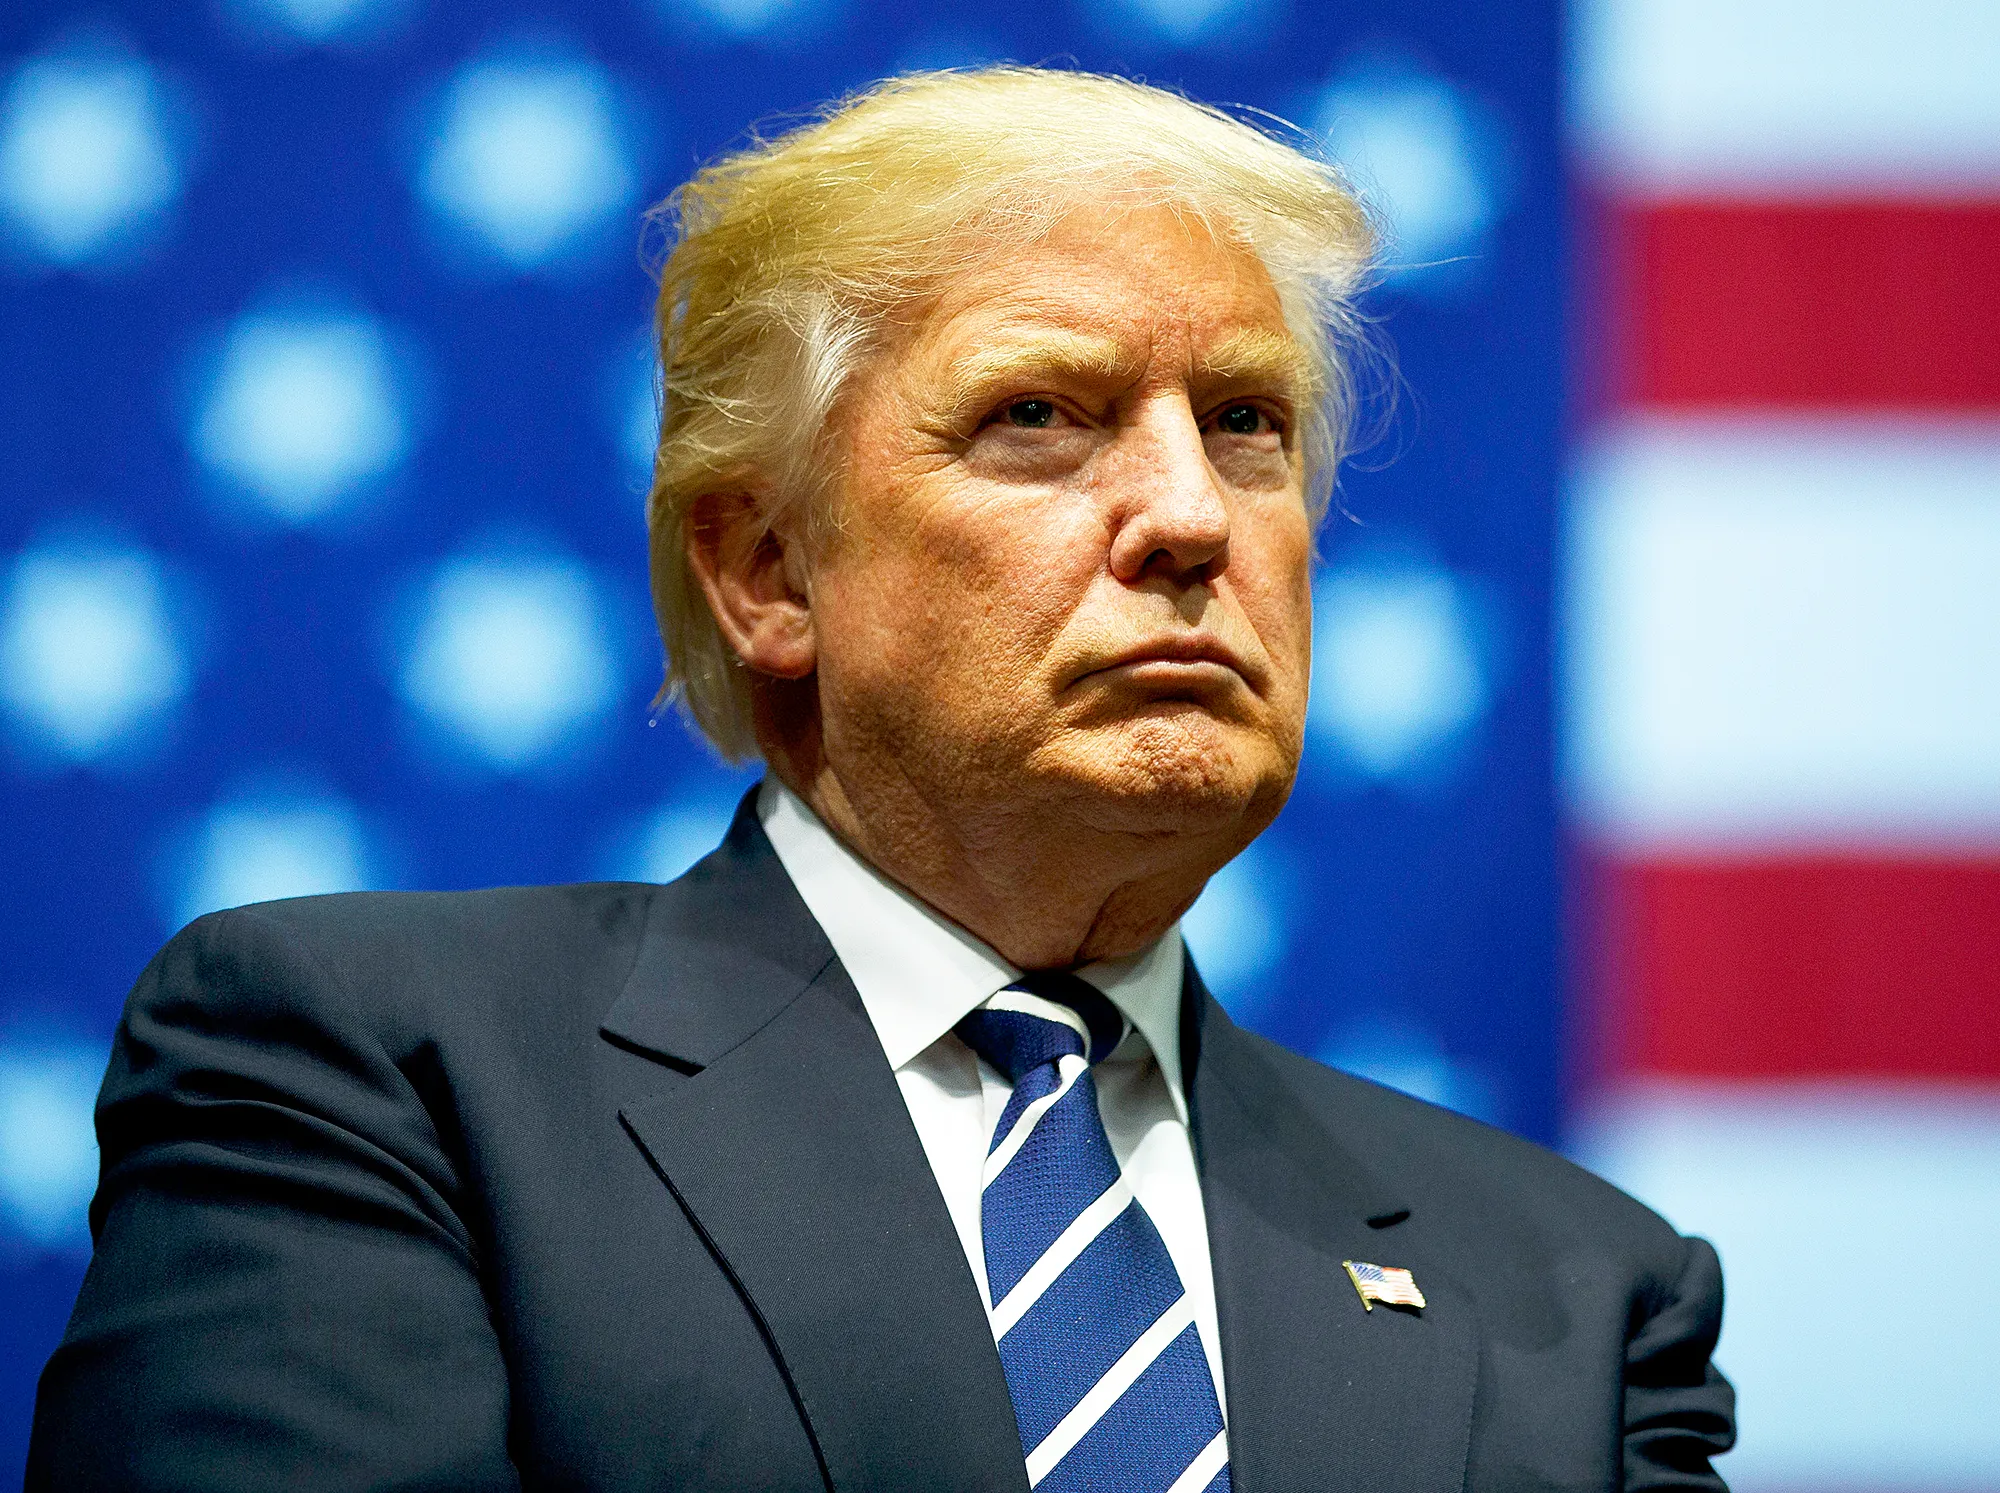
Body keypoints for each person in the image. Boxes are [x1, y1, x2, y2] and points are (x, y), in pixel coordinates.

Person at [27, 67, 1734, 1492]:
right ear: (768, 570)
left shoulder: (1574, 1300)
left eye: (1245, 424)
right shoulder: (381, 1081)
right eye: (1039, 419)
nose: (1193, 517)